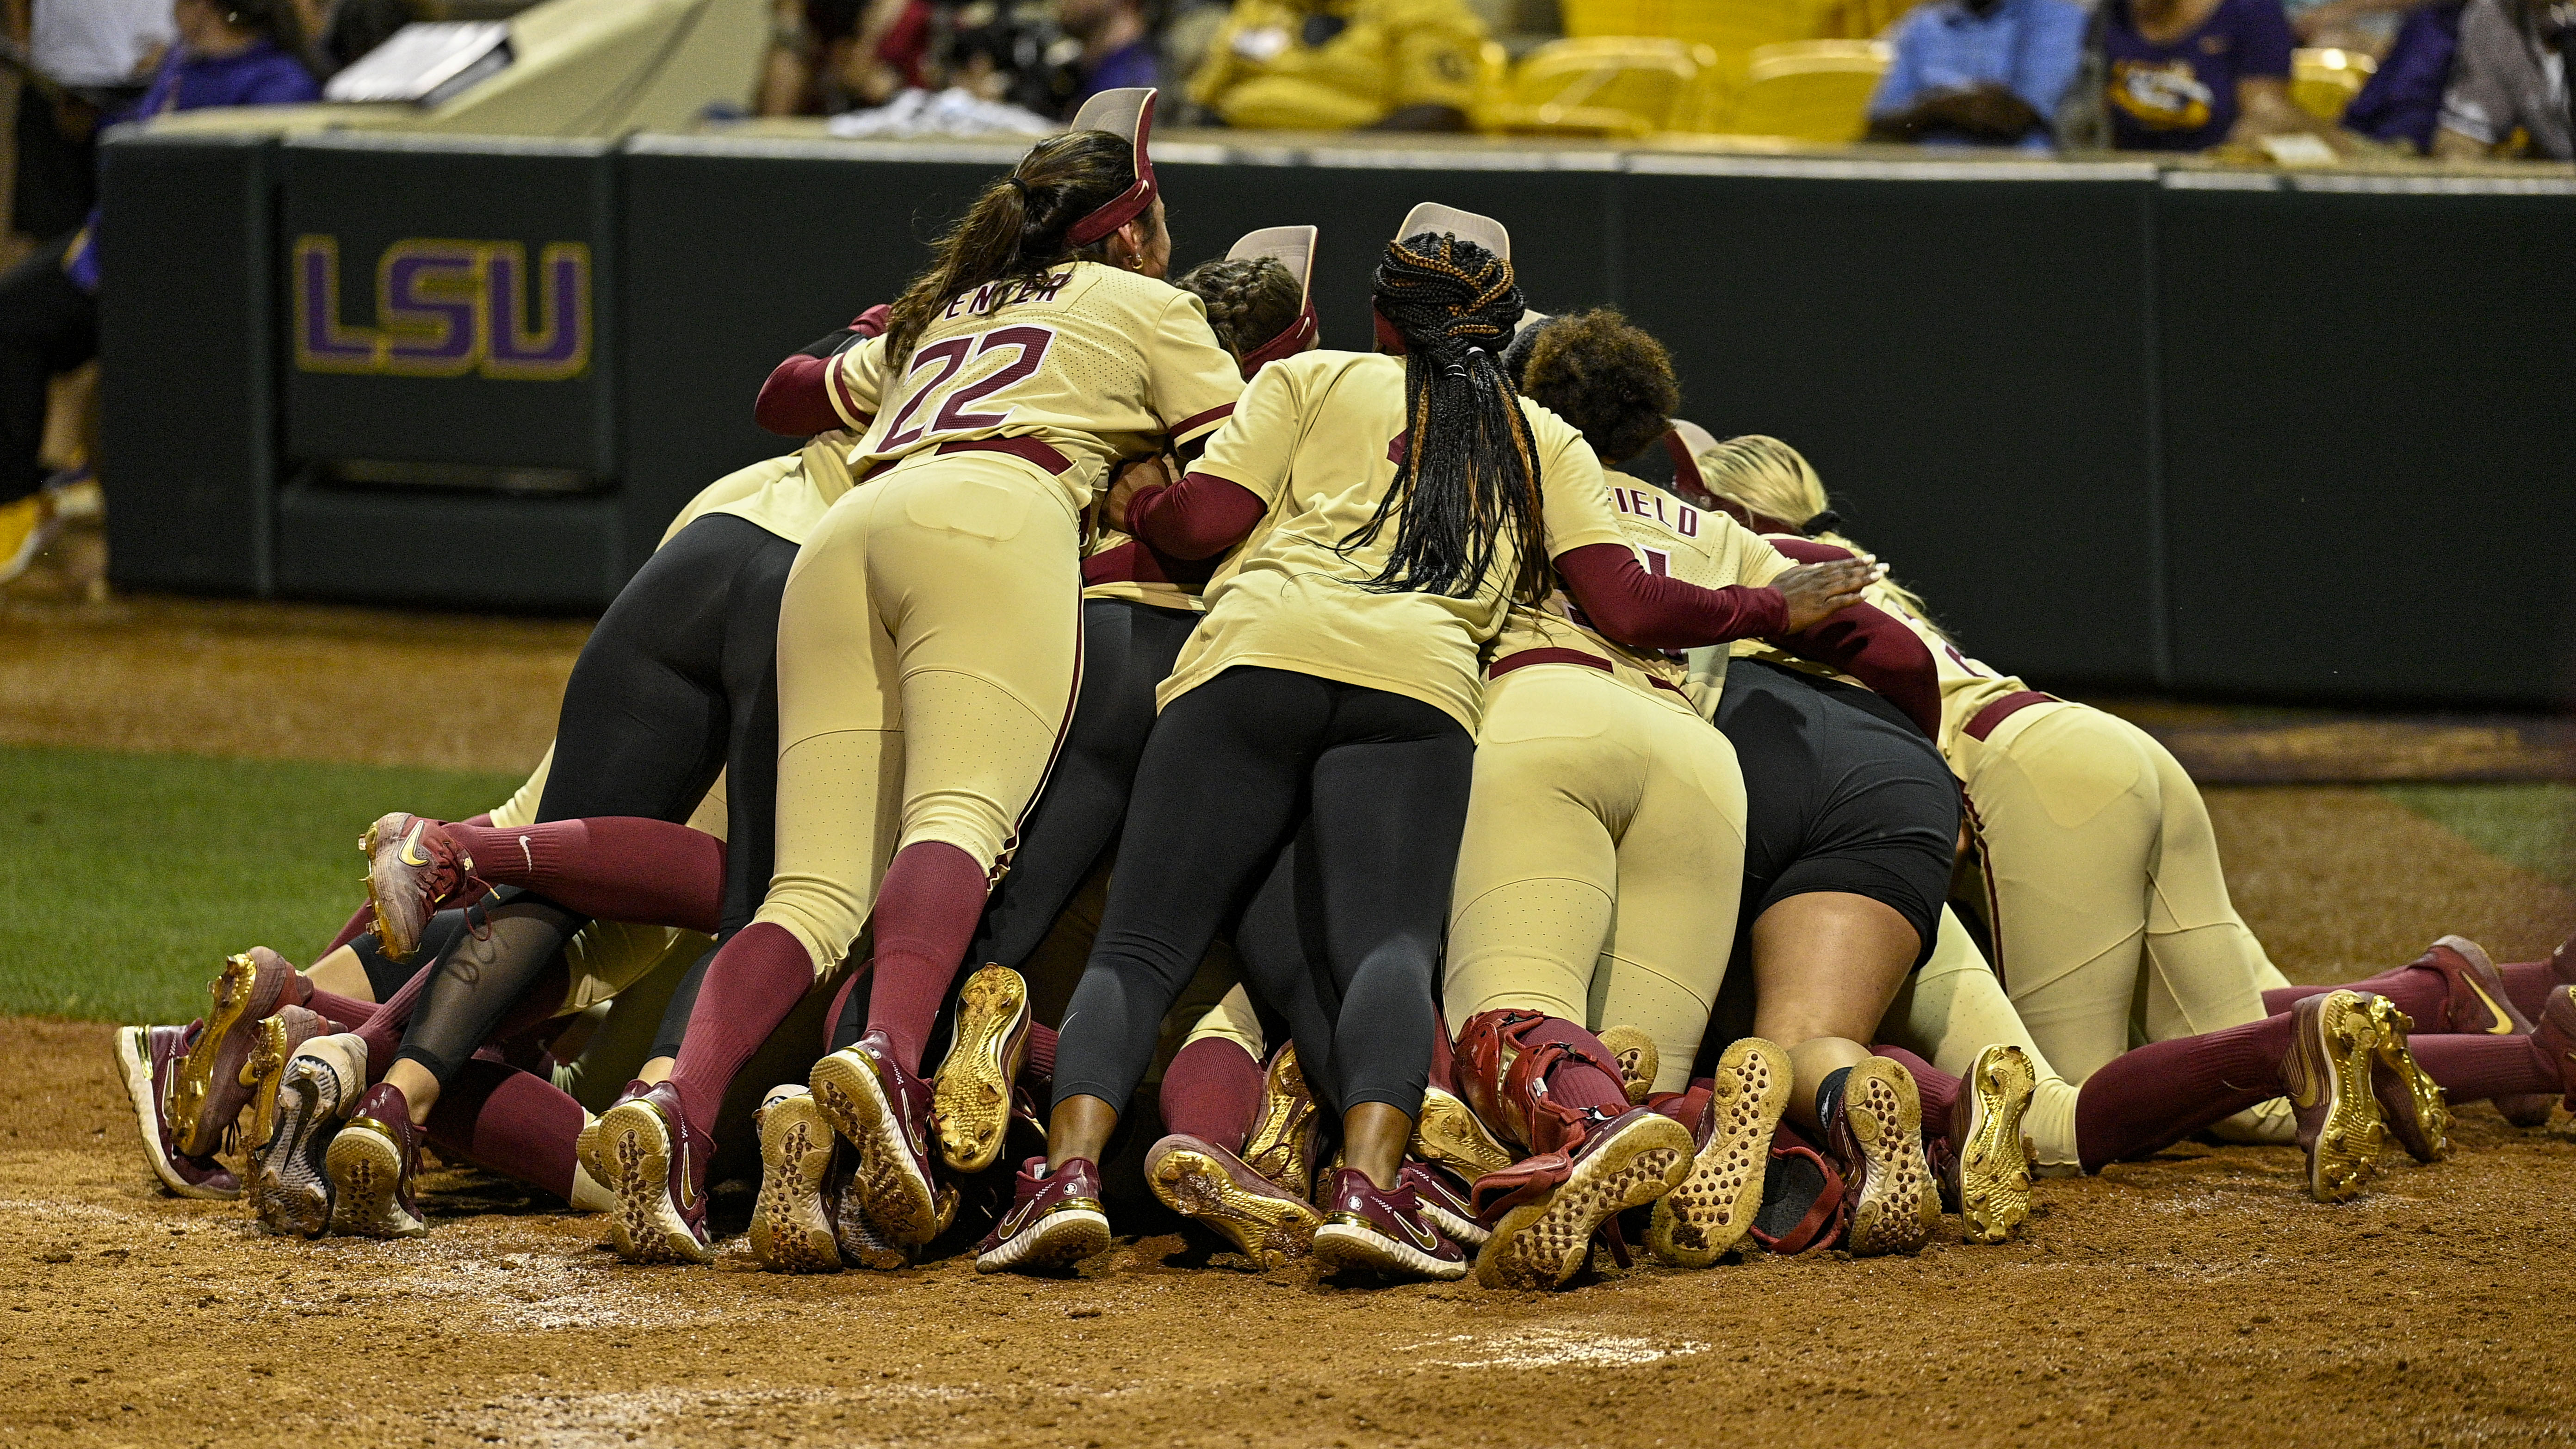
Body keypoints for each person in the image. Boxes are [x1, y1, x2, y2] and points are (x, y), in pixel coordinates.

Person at [973, 204, 1883, 1282]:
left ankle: (1066, 1180)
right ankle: (1370, 1188)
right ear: (1501, 332)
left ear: (1378, 315)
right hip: (1417, 688)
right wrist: (1770, 609)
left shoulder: (1308, 382)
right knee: (1388, 949)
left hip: (1255, 656)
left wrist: (1142, 497)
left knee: (1141, 946)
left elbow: (1205, 523)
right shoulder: (1542, 438)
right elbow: (1630, 605)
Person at [506, 89, 1247, 1266]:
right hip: (999, 516)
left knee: (806, 893)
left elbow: (789, 392)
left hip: (850, 527)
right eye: (1157, 225)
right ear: (1123, 233)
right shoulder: (1149, 304)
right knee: (956, 818)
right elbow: (1232, 492)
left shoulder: (950, 305)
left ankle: (679, 1108)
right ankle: (890, 1059)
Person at [0, 0, 316, 584]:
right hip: (109, 249)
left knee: (22, 330)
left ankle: (20, 499)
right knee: (12, 316)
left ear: (210, 9)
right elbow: (139, 148)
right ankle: (19, 497)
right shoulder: (181, 61)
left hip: (176, 282)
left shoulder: (278, 84)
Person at [1187, 0, 1487, 130]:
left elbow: (1440, 111)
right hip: (1242, 164)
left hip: (1361, 176)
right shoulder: (1263, 7)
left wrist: (1327, 155)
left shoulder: (1426, 9)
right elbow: (1204, 100)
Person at [2096, 0, 2346, 151]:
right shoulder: (2104, 16)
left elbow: (2266, 111)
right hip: (2127, 182)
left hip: (2215, 181)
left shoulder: (2249, 11)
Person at [1865, 0, 2090, 149]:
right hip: (1935, 190)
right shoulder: (1923, 24)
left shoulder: (2056, 15)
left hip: (2023, 189)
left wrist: (1933, 109)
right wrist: (1941, 107)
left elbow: (2013, 117)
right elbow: (1881, 124)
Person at [2431, 0, 2571, 159]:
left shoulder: (2549, 15)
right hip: (2467, 139)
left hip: (2534, 149)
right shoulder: (2492, 12)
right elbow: (2526, 93)